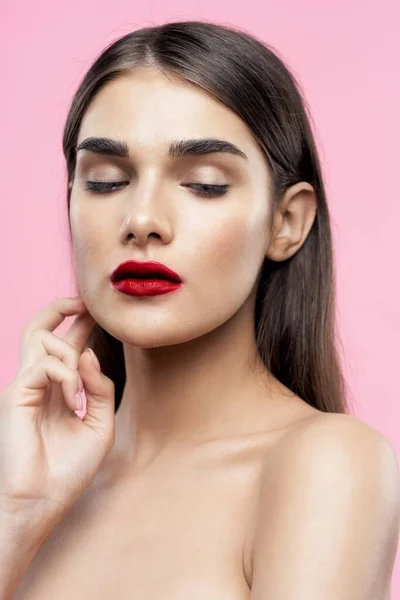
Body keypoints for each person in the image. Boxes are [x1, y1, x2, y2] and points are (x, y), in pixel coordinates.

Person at [1, 20, 399, 600]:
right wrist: (17, 514)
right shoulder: (37, 477)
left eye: (205, 185)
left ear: (287, 222)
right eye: (107, 182)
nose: (141, 220)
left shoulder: (323, 466)